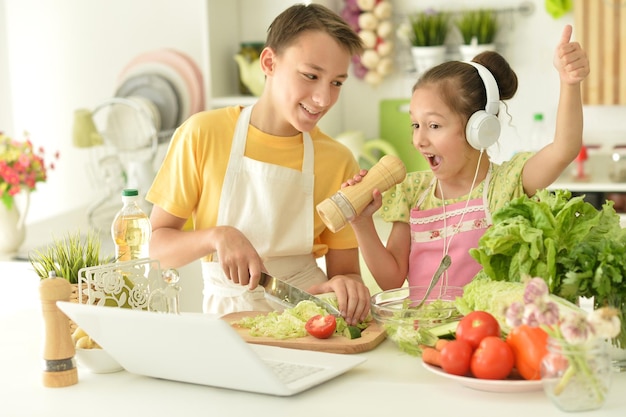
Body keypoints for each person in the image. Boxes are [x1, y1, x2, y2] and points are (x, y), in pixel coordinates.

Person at [146, 3, 371, 324]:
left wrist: (349, 287)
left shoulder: (338, 160)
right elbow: (155, 249)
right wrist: (218, 236)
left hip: (310, 321)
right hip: (230, 326)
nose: (323, 98)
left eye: (336, 82)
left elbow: (347, 274)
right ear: (269, 62)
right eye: (310, 75)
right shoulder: (202, 134)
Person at [344, 25, 589, 292]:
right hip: (424, 331)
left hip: (486, 332)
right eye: (415, 125)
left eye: (434, 126)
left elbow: (564, 148)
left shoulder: (507, 185)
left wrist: (569, 83)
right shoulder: (413, 192)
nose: (419, 140)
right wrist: (362, 222)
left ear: (479, 129)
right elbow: (390, 280)